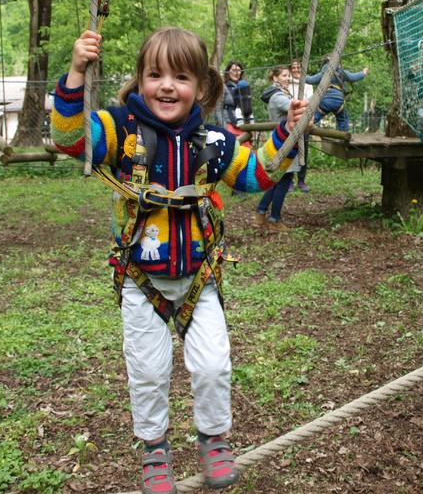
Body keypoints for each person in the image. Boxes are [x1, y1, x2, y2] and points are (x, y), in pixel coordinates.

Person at [51, 27, 307, 494]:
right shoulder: (119, 130)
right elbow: (68, 139)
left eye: (180, 77)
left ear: (201, 87)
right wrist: (75, 72)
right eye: (155, 75)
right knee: (148, 372)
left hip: (198, 280)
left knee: (213, 366)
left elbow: (256, 176)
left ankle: (213, 437)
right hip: (141, 281)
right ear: (140, 79)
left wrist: (288, 132)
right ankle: (154, 449)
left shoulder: (213, 140)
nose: (167, 86)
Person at [254, 66, 301, 231]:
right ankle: (274, 219)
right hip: (285, 143)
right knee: (284, 181)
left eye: (289, 75)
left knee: (278, 181)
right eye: (284, 75)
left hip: (283, 142)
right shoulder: (278, 96)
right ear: (275, 78)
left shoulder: (281, 94)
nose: (288, 78)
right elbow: (297, 108)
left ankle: (261, 212)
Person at [305, 57, 368, 132]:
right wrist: (363, 73)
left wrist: (301, 76)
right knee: (343, 120)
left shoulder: (323, 74)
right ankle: (344, 135)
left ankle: (304, 126)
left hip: (325, 102)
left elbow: (311, 80)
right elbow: (353, 77)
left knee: (314, 117)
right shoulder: (342, 72)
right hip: (338, 102)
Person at [288, 58, 313, 193]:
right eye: (294, 68)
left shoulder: (308, 82)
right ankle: (290, 181)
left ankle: (301, 180)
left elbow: (309, 100)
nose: (296, 70)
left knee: (304, 152)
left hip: (304, 122)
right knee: (290, 152)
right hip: (291, 123)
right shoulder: (287, 83)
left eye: (299, 67)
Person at [223, 61, 254, 126]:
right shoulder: (223, 87)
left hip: (245, 123)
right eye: (234, 70)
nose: (236, 73)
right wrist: (223, 126)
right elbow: (218, 109)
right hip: (229, 123)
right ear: (228, 72)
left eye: (239, 70)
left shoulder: (245, 86)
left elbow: (248, 105)